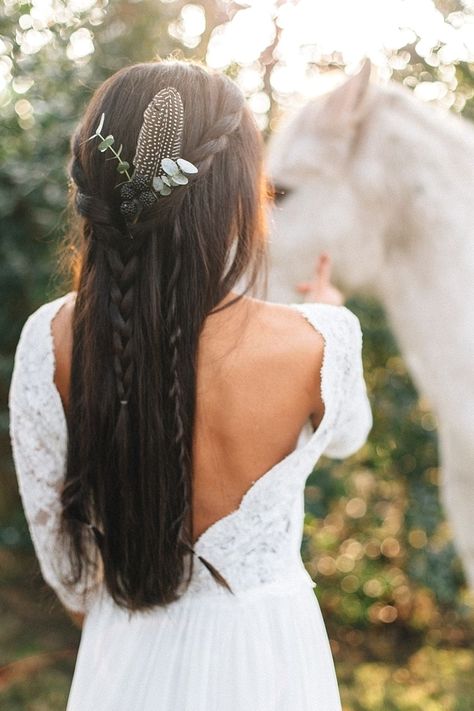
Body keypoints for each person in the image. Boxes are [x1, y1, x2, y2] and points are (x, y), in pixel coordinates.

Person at [8, 59, 372, 711]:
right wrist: (327, 307)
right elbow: (346, 438)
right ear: (238, 194)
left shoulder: (52, 337)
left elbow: (66, 567)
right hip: (268, 658)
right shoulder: (322, 340)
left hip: (124, 649)